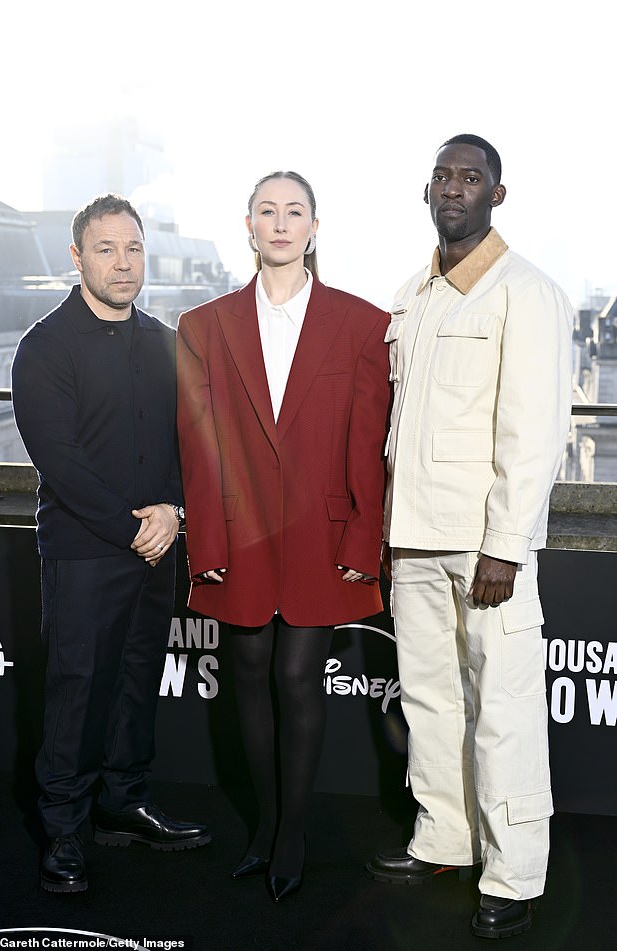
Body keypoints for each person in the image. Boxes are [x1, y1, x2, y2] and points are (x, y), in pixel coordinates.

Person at [365, 135, 573, 939]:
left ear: (498, 194)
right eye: (444, 177)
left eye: (472, 178)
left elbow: (534, 432)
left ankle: (515, 873)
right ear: (427, 191)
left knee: (506, 709)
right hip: (412, 538)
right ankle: (444, 837)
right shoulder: (412, 294)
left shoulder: (529, 292)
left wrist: (507, 543)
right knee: (430, 699)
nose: (456, 189)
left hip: (485, 546)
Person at [176, 171, 390, 902]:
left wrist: (365, 543)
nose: (280, 223)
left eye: (293, 211)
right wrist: (205, 548)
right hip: (236, 530)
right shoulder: (202, 327)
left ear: (314, 226)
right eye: (267, 210)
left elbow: (369, 444)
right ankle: (265, 825)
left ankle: (293, 830)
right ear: (247, 224)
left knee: (298, 676)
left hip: (321, 532)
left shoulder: (363, 324)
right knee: (246, 676)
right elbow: (196, 448)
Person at [11, 194, 210, 894]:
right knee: (76, 690)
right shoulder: (44, 347)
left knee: (134, 680)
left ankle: (124, 804)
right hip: (84, 552)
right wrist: (137, 526)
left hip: (156, 547)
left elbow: (191, 441)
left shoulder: (165, 340)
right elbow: (59, 463)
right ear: (77, 257)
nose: (123, 263)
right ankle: (62, 830)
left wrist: (174, 510)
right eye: (106, 249)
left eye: (132, 249)